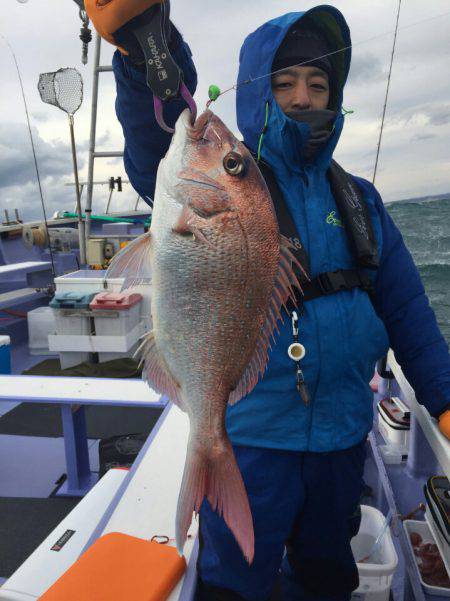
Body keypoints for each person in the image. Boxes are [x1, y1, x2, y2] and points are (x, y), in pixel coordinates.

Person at [86, 2, 450, 599]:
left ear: (335, 96)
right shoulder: (238, 177)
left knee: (328, 573)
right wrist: (141, 41)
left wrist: (443, 397)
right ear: (259, 95)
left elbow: (409, 312)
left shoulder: (360, 201)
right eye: (283, 83)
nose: (302, 96)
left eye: (317, 83)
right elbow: (161, 121)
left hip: (342, 442)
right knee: (235, 579)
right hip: (253, 438)